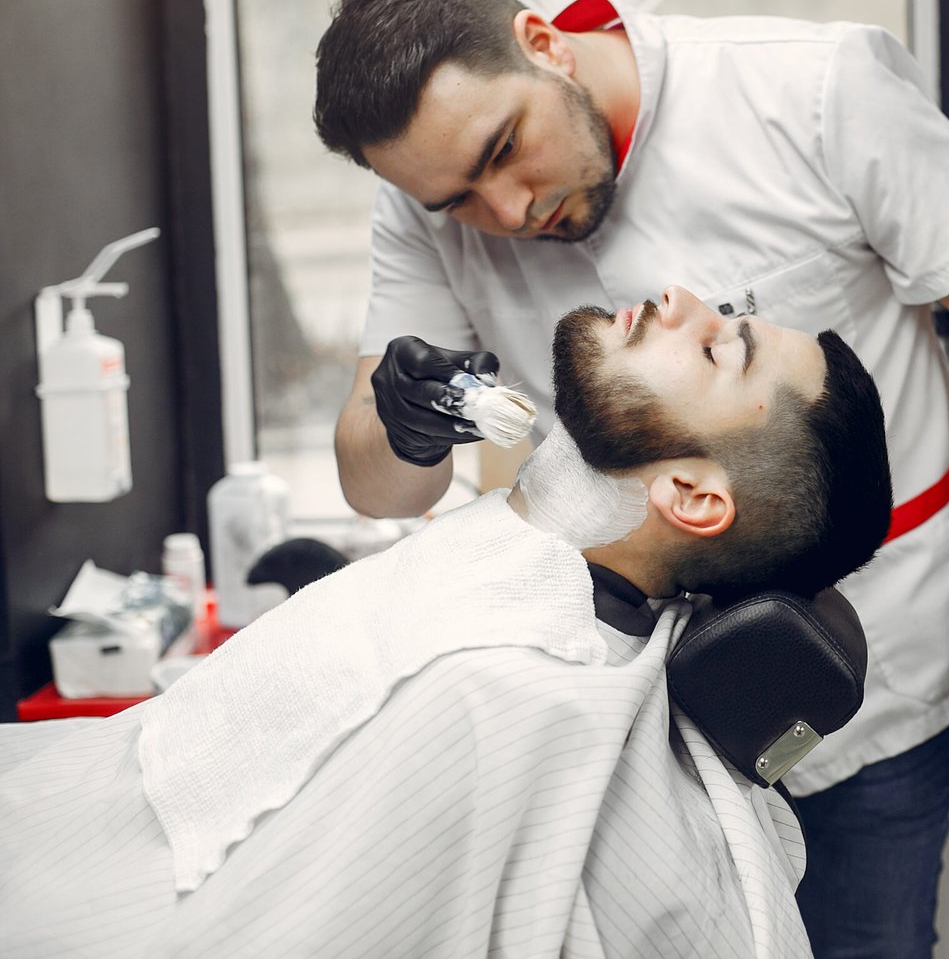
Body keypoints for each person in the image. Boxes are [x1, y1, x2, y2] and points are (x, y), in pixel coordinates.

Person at [315, 0, 949, 956]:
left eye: (507, 148)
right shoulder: (425, 199)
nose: (506, 213)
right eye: (456, 200)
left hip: (871, 676)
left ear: (544, 42)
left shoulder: (811, 93)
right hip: (622, 714)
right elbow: (381, 485)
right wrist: (401, 423)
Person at [0, 289, 893, 958]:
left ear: (693, 496)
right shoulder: (521, 575)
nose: (677, 300)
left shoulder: (501, 688)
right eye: (725, 310)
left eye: (717, 349)